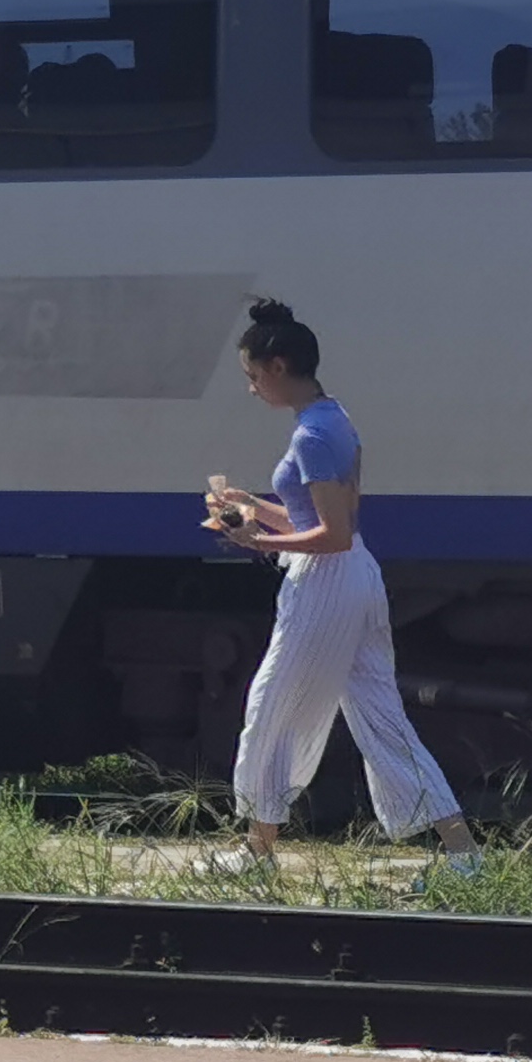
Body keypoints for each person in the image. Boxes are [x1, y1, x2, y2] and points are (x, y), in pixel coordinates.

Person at [202, 298, 477, 874]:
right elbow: (325, 523)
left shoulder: (311, 437)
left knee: (272, 706)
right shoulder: (333, 419)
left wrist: (257, 541)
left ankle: (257, 852)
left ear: (278, 366)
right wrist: (252, 506)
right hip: (355, 579)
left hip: (325, 586)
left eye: (253, 375)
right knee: (381, 719)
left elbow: (331, 535)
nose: (252, 388)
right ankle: (463, 856)